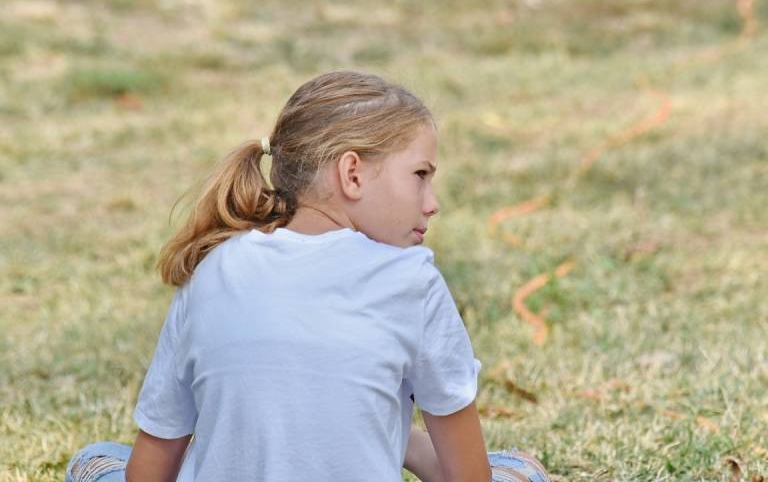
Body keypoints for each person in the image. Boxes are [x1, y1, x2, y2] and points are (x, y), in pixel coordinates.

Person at [66, 71, 551, 482]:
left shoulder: (214, 266)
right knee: (514, 470)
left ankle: (385, 432)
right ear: (352, 174)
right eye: (420, 175)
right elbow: (469, 477)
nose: (433, 202)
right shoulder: (411, 279)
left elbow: (151, 466)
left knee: (97, 459)